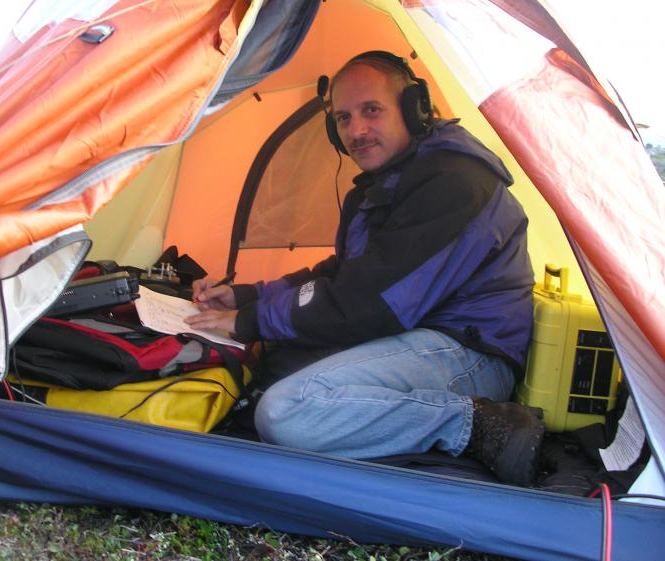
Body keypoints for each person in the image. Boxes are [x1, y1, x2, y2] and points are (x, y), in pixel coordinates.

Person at [185, 51, 543, 487]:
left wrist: (248, 321)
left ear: (413, 108)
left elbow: (369, 302)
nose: (356, 131)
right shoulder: (391, 181)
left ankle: (476, 424)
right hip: (416, 334)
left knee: (286, 411)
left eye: (371, 110)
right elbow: (342, 273)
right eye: (342, 118)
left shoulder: (455, 183)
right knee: (279, 361)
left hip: (470, 353)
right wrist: (248, 297)